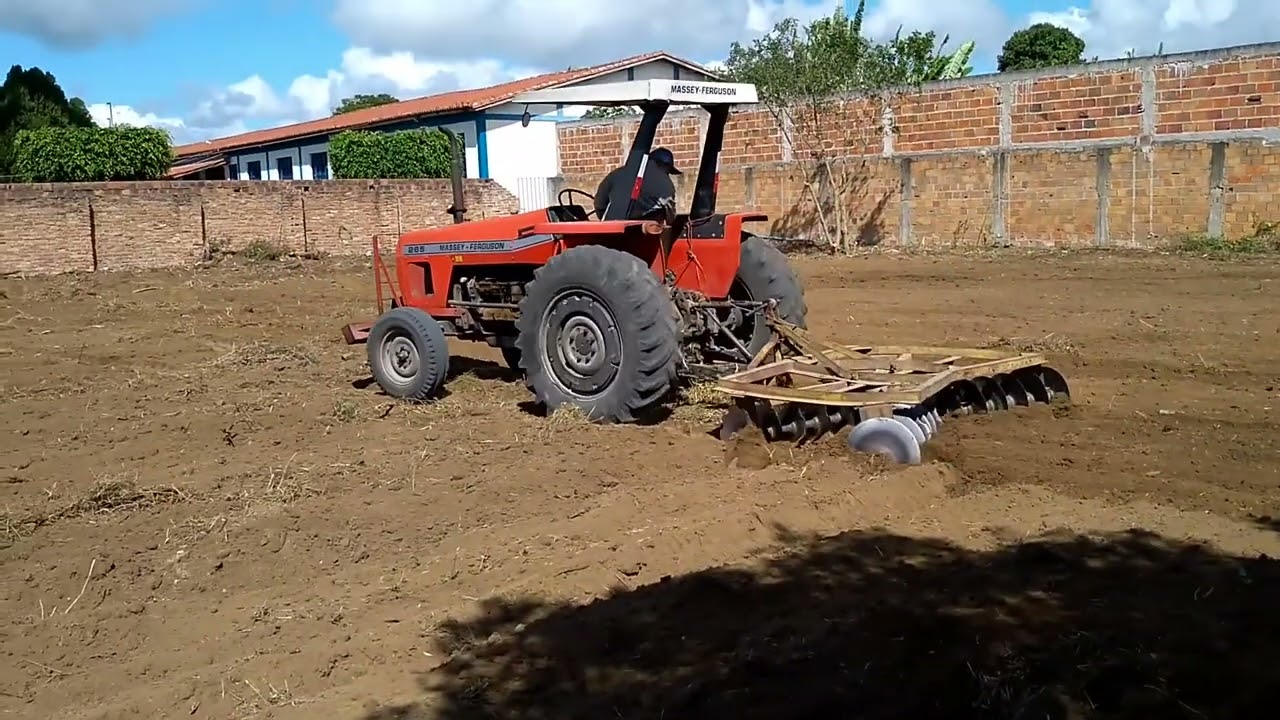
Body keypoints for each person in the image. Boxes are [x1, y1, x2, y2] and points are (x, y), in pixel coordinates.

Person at [593, 147, 682, 220]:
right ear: (665, 166)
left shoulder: (617, 174)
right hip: (645, 235)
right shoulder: (666, 184)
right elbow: (670, 217)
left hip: (612, 230)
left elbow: (599, 204)